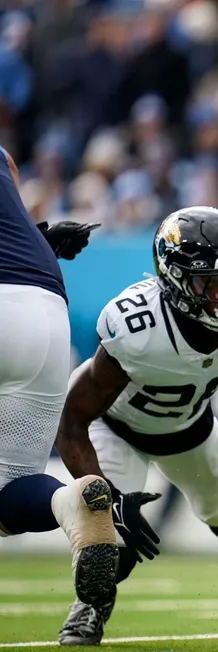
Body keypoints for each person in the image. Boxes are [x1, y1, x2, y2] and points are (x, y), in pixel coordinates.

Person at [54, 206, 218, 645]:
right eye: (210, 283)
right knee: (113, 546)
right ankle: (90, 606)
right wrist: (108, 499)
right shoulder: (137, 328)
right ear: (175, 280)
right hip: (118, 429)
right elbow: (72, 420)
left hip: (190, 426)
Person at [0, 147, 119, 623]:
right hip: (44, 301)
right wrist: (38, 238)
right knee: (10, 487)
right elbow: (9, 171)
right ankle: (70, 501)